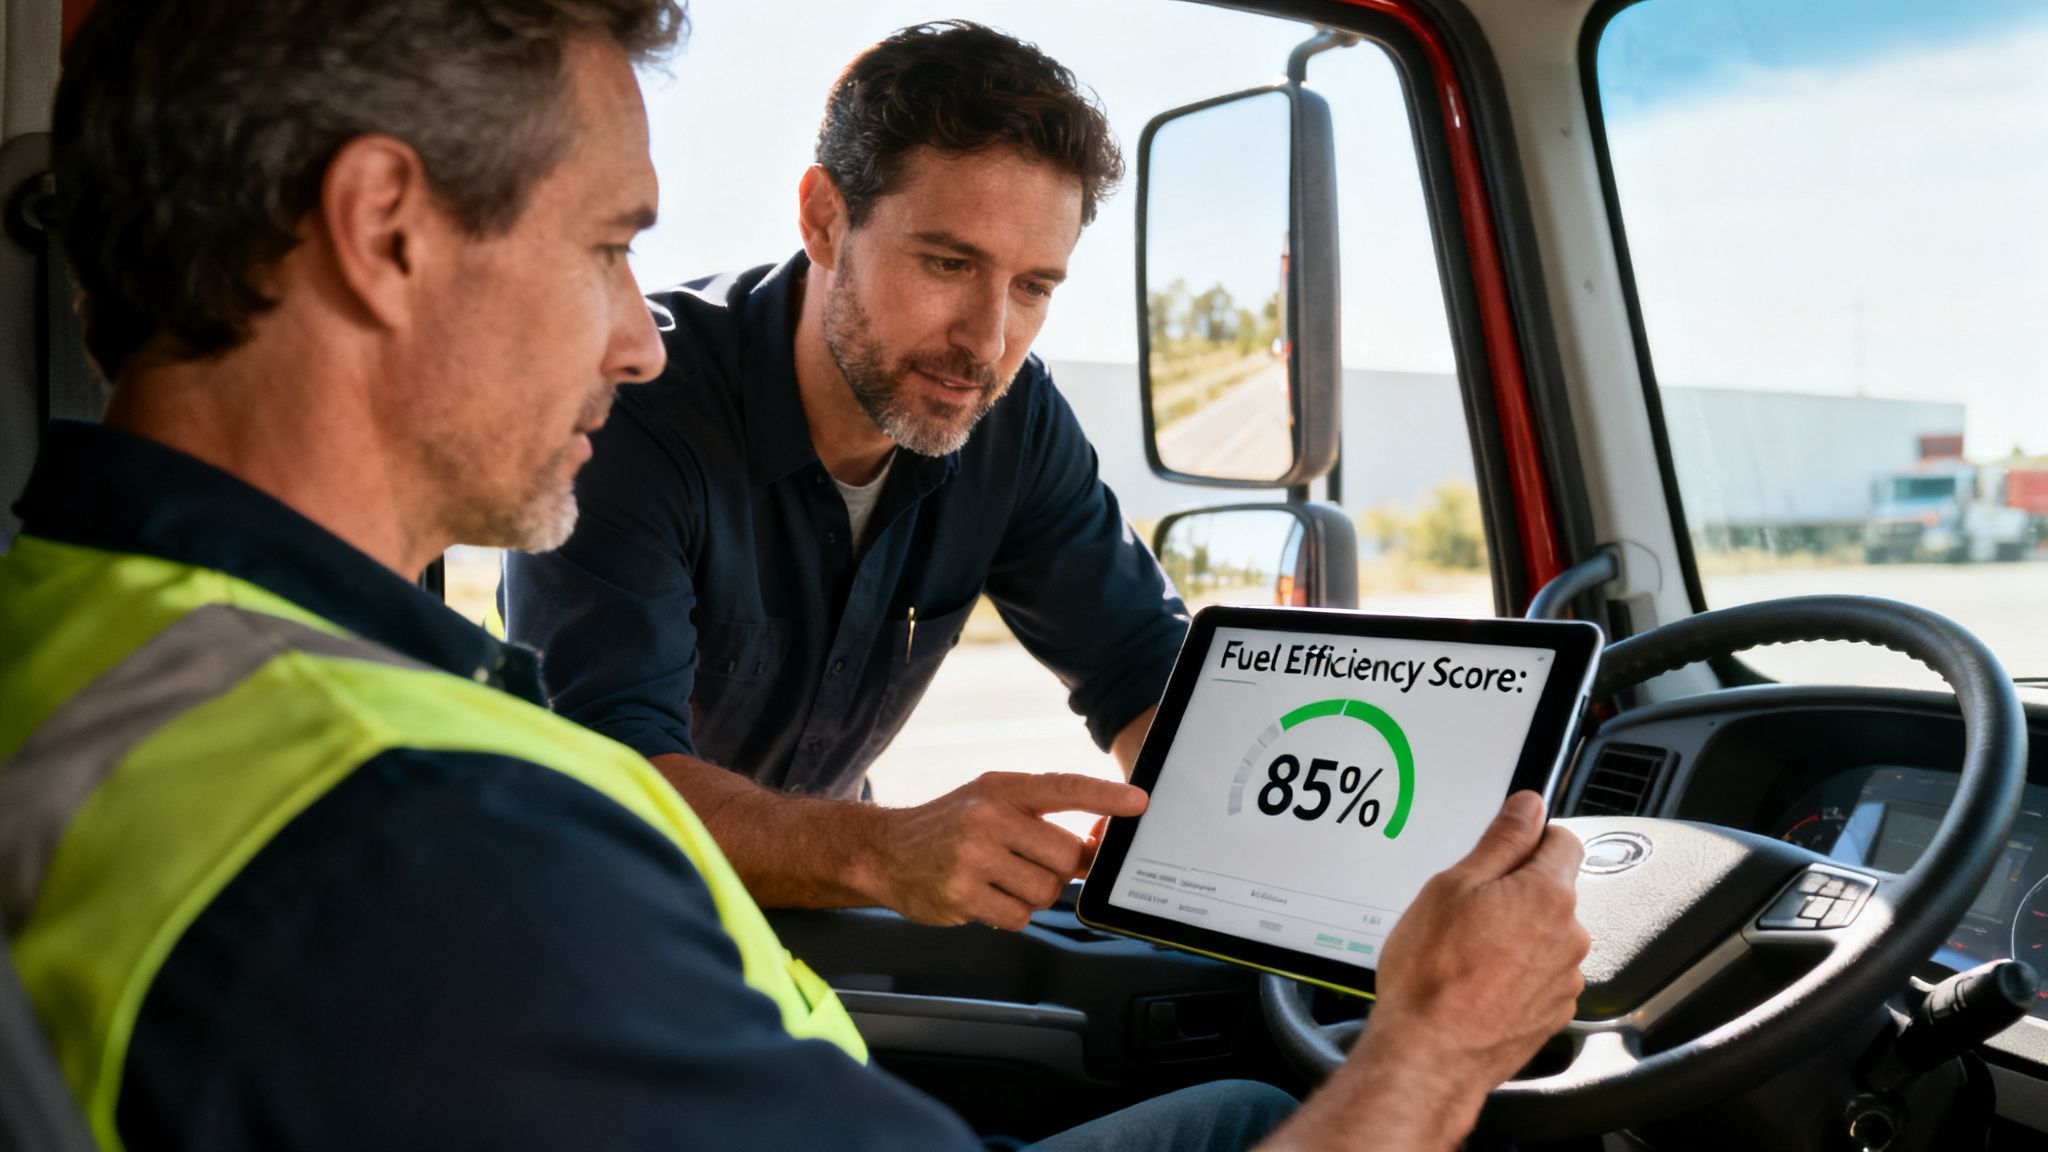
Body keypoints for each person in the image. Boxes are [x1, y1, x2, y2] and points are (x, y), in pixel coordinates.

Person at [0, 1, 1590, 1149]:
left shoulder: (100, 632)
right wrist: (1443, 1044)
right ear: (385, 231)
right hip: (715, 958)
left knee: (1239, 1093)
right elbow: (593, 804)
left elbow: (1139, 674)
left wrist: (1348, 842)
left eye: (1035, 286)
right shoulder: (426, 840)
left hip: (738, 987)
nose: (634, 335)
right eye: (606, 248)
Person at [502, 22, 1183, 931]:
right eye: (949, 263)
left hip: (816, 930)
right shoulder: (635, 407)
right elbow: (611, 778)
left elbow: (1144, 673)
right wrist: (881, 850)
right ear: (825, 219)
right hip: (579, 923)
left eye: (1033, 288)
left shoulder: (1008, 420)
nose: (987, 341)